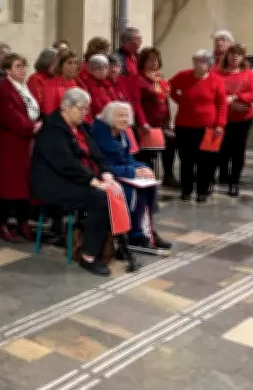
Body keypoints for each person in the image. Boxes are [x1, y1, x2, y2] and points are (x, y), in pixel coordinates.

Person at [31, 87, 117, 276]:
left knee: (117, 189)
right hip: (54, 182)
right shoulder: (52, 129)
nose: (85, 113)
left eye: (87, 109)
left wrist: (106, 173)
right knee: (99, 198)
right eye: (81, 108)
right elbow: (65, 164)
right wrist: (93, 181)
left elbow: (97, 153)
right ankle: (89, 256)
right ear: (66, 107)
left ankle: (111, 245)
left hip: (77, 178)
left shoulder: (82, 127)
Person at [92, 102, 172, 250]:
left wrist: (142, 168)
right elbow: (101, 166)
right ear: (109, 117)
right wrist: (132, 171)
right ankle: (135, 234)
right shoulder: (99, 134)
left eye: (127, 116)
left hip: (120, 172)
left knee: (149, 184)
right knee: (134, 191)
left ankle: (146, 231)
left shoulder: (121, 133)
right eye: (120, 116)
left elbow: (128, 158)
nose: (124, 119)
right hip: (104, 176)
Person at [0, 53, 42, 242]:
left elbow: (31, 109)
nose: (22, 69)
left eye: (24, 65)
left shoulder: (23, 86)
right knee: (9, 186)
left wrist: (37, 123)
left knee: (24, 185)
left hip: (26, 142)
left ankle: (23, 221)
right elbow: (9, 116)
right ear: (7, 70)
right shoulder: (3, 89)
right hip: (11, 143)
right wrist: (32, 127)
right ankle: (2, 223)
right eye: (18, 66)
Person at [169, 50, 227, 203]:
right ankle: (186, 190)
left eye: (202, 61)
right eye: (196, 61)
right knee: (186, 159)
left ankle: (202, 190)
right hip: (185, 126)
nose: (198, 64)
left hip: (209, 128)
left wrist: (220, 125)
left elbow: (222, 104)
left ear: (209, 65)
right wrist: (179, 99)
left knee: (206, 161)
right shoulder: (183, 76)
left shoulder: (216, 80)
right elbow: (168, 87)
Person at [213, 43, 253, 197]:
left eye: (239, 55)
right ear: (227, 55)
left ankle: (235, 182)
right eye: (233, 54)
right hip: (222, 118)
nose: (235, 57)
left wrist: (235, 97)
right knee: (221, 150)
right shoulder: (217, 72)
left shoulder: (248, 73)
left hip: (243, 119)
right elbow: (213, 94)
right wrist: (231, 105)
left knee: (238, 151)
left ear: (242, 57)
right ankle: (223, 176)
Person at [133, 48, 176, 186]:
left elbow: (165, 100)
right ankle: (148, 179)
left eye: (156, 59)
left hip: (161, 123)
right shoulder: (139, 80)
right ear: (143, 62)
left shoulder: (160, 79)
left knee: (170, 146)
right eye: (151, 59)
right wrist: (143, 122)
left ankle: (168, 176)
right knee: (148, 155)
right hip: (147, 123)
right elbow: (137, 103)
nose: (154, 62)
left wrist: (168, 119)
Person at [43, 49, 83, 114]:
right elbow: (49, 112)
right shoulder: (50, 85)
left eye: (76, 63)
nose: (73, 66)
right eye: (69, 63)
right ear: (60, 65)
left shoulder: (77, 82)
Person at [80, 54, 118, 119]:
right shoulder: (87, 86)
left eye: (105, 67)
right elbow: (95, 107)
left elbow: (115, 100)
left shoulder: (107, 84)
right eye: (98, 68)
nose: (103, 70)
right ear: (91, 70)